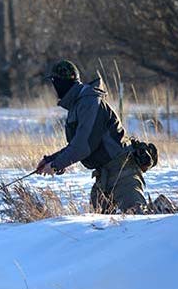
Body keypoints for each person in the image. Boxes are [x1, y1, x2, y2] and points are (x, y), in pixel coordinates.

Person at [36, 60, 146, 213]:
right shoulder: (79, 104)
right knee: (102, 229)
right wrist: (51, 160)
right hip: (104, 177)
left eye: (54, 82)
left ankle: (170, 212)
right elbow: (77, 144)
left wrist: (56, 165)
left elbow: (83, 146)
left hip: (122, 173)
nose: (54, 88)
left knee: (140, 220)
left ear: (60, 83)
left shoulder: (89, 102)